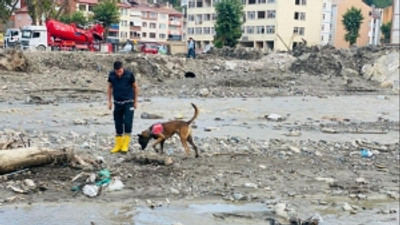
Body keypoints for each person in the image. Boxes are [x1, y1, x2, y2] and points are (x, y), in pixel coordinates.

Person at [107, 61, 139, 153]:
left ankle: (125, 145)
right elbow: (109, 87)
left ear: (122, 68)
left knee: (128, 122)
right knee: (118, 123)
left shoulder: (129, 75)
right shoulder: (112, 75)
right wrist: (109, 102)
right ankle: (118, 145)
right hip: (117, 103)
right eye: (117, 72)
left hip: (128, 102)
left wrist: (135, 101)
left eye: (120, 71)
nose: (119, 73)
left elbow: (136, 87)